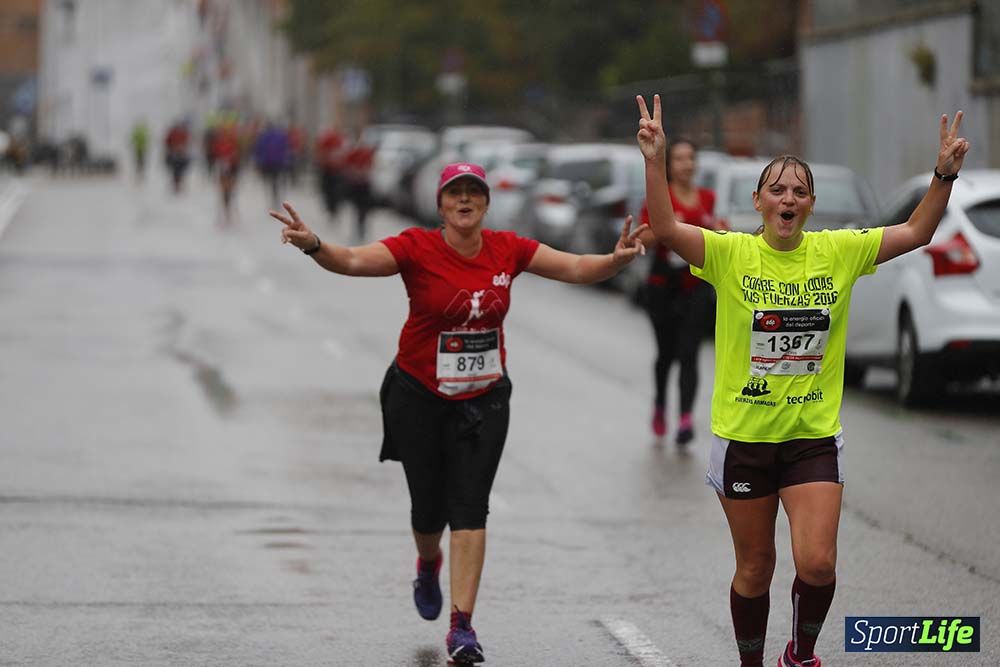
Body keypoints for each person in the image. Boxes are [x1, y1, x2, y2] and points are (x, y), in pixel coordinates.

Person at [635, 94, 969, 667]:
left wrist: (942, 175)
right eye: (777, 189)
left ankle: (800, 654)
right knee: (756, 567)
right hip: (744, 437)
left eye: (799, 190)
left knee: (817, 564)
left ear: (810, 204)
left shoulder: (838, 251)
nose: (788, 198)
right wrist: (656, 158)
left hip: (811, 436)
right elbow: (664, 226)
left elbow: (916, 231)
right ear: (759, 201)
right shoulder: (729, 254)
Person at [269, 162, 646, 664]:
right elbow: (355, 261)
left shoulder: (508, 248)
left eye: (474, 193)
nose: (464, 200)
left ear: (486, 204)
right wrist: (314, 244)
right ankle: (428, 563)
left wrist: (615, 261)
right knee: (429, 510)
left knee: (470, 506)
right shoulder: (415, 248)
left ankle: (462, 627)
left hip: (484, 399)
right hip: (418, 395)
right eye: (455, 194)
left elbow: (575, 268)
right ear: (441, 204)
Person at [637, 138, 721, 444]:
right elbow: (643, 240)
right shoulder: (661, 198)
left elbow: (715, 238)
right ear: (669, 165)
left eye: (691, 158)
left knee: (689, 353)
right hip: (662, 286)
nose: (687, 164)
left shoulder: (708, 198)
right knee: (666, 354)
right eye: (680, 159)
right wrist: (665, 229)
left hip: (695, 286)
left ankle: (685, 418)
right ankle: (660, 403)